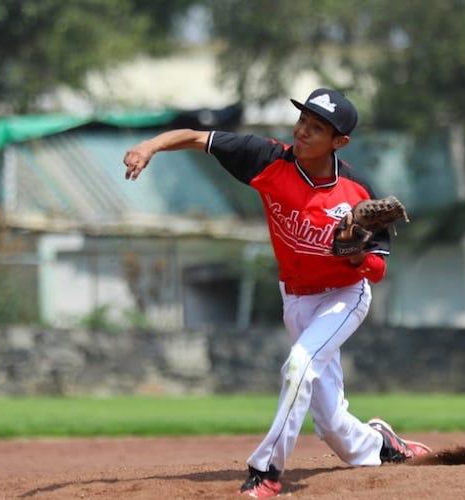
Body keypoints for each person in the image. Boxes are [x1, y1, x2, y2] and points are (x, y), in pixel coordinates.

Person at [123, 88, 431, 498]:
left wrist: (356, 253)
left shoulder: (358, 191)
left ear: (339, 142)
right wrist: (150, 146)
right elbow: (201, 138)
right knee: (332, 425)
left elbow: (376, 271)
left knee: (298, 365)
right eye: (303, 120)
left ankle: (266, 470)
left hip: (344, 296)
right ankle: (382, 444)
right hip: (297, 299)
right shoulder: (267, 159)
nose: (303, 131)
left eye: (316, 128)